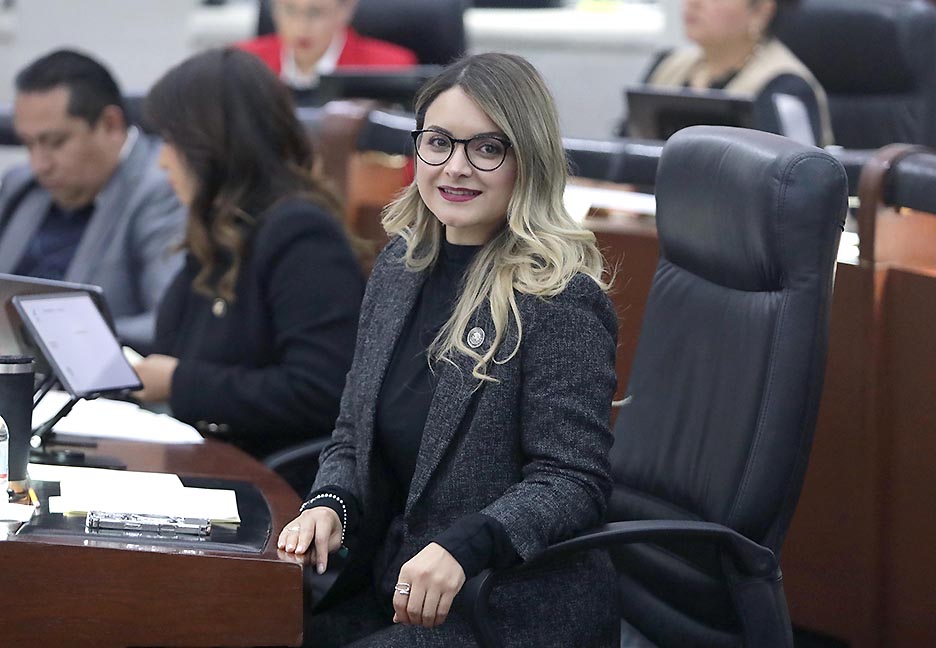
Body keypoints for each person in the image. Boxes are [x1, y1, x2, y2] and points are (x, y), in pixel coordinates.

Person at [278, 52, 620, 647]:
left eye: (487, 148)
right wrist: (330, 503)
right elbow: (353, 433)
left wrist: (468, 543)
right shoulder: (399, 267)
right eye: (438, 143)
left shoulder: (559, 299)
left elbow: (572, 480)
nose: (456, 168)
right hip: (388, 588)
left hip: (500, 608)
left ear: (528, 159)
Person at [133, 48, 365, 462]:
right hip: (206, 462)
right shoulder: (220, 229)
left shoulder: (301, 234)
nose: (163, 162)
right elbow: (176, 346)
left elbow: (322, 390)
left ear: (211, 145)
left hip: (273, 479)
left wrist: (179, 382)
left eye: (171, 142)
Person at [0, 49, 186, 351]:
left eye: (55, 142)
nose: (39, 164)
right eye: (28, 144)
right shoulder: (21, 184)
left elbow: (168, 323)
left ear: (110, 124)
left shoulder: (163, 189)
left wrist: (56, 336)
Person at [629, 0, 834, 146]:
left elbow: (799, 182)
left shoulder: (786, 87)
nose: (694, 3)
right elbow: (625, 149)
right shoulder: (668, 65)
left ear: (761, 11)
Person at [238, 0, 417, 91]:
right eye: (289, 10)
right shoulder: (242, 61)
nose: (301, 27)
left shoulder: (389, 67)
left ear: (346, 9)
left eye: (315, 12)